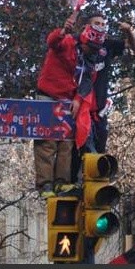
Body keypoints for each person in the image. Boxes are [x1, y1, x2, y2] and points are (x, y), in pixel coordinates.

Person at [70, 12, 135, 183]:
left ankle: (94, 186)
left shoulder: (107, 45)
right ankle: (73, 184)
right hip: (77, 106)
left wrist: (128, 30)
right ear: (87, 27)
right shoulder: (76, 43)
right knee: (75, 151)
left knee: (98, 152)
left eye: (102, 23)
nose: (100, 26)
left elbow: (132, 46)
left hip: (98, 110)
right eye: (96, 23)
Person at [33, 12, 90, 199]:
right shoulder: (66, 42)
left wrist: (77, 99)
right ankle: (45, 185)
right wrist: (63, 31)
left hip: (67, 100)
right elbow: (52, 42)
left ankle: (62, 183)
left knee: (66, 143)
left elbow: (85, 80)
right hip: (48, 96)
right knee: (47, 143)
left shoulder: (88, 55)